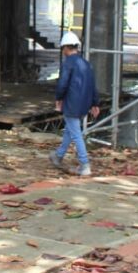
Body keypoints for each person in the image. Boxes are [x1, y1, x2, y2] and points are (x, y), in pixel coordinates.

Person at [51, 32, 100, 177]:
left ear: (66, 47)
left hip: (72, 103)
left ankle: (85, 165)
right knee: (69, 130)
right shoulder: (86, 63)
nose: (63, 51)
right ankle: (58, 156)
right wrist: (95, 103)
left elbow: (62, 83)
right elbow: (92, 85)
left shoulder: (68, 63)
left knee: (76, 134)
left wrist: (58, 98)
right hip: (84, 103)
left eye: (62, 48)